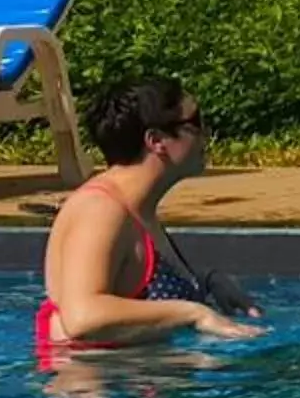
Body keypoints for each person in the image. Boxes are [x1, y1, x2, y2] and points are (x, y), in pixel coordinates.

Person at [37, 77, 264, 355]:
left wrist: (209, 281)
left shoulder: (136, 208)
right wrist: (194, 313)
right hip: (97, 391)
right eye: (196, 122)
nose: (206, 134)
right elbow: (83, 317)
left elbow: (136, 284)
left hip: (134, 385)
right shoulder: (99, 210)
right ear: (156, 141)